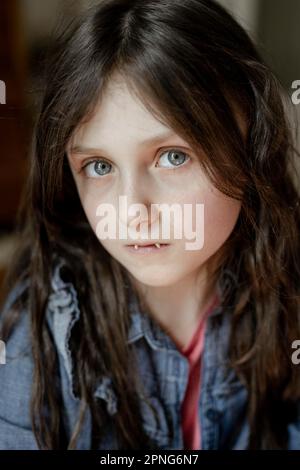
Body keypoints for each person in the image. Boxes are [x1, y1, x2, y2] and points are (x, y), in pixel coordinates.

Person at [0, 0, 299, 450]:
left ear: (250, 138)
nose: (130, 209)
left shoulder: (287, 290)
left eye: (172, 157)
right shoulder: (38, 334)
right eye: (99, 166)